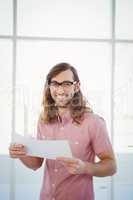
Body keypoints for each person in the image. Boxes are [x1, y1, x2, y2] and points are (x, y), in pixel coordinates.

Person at [9, 62, 117, 200]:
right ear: (49, 87)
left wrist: (85, 167)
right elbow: (36, 163)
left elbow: (111, 166)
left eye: (66, 83)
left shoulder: (94, 122)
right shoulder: (44, 121)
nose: (60, 90)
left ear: (76, 86)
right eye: (55, 83)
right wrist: (21, 153)